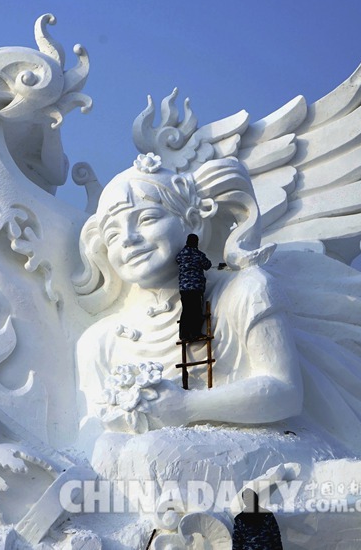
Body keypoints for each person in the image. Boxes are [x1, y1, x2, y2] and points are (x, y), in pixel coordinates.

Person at [73, 153, 301, 433]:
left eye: (146, 218)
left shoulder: (246, 290)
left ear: (193, 222)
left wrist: (187, 406)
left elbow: (285, 391)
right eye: (113, 235)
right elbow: (94, 429)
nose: (128, 239)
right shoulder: (98, 342)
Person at [175, 233, 211, 341]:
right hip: (196, 287)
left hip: (184, 287)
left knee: (186, 310)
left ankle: (184, 334)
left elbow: (177, 260)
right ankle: (195, 333)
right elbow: (208, 265)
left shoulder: (181, 254)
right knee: (196, 310)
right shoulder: (198, 254)